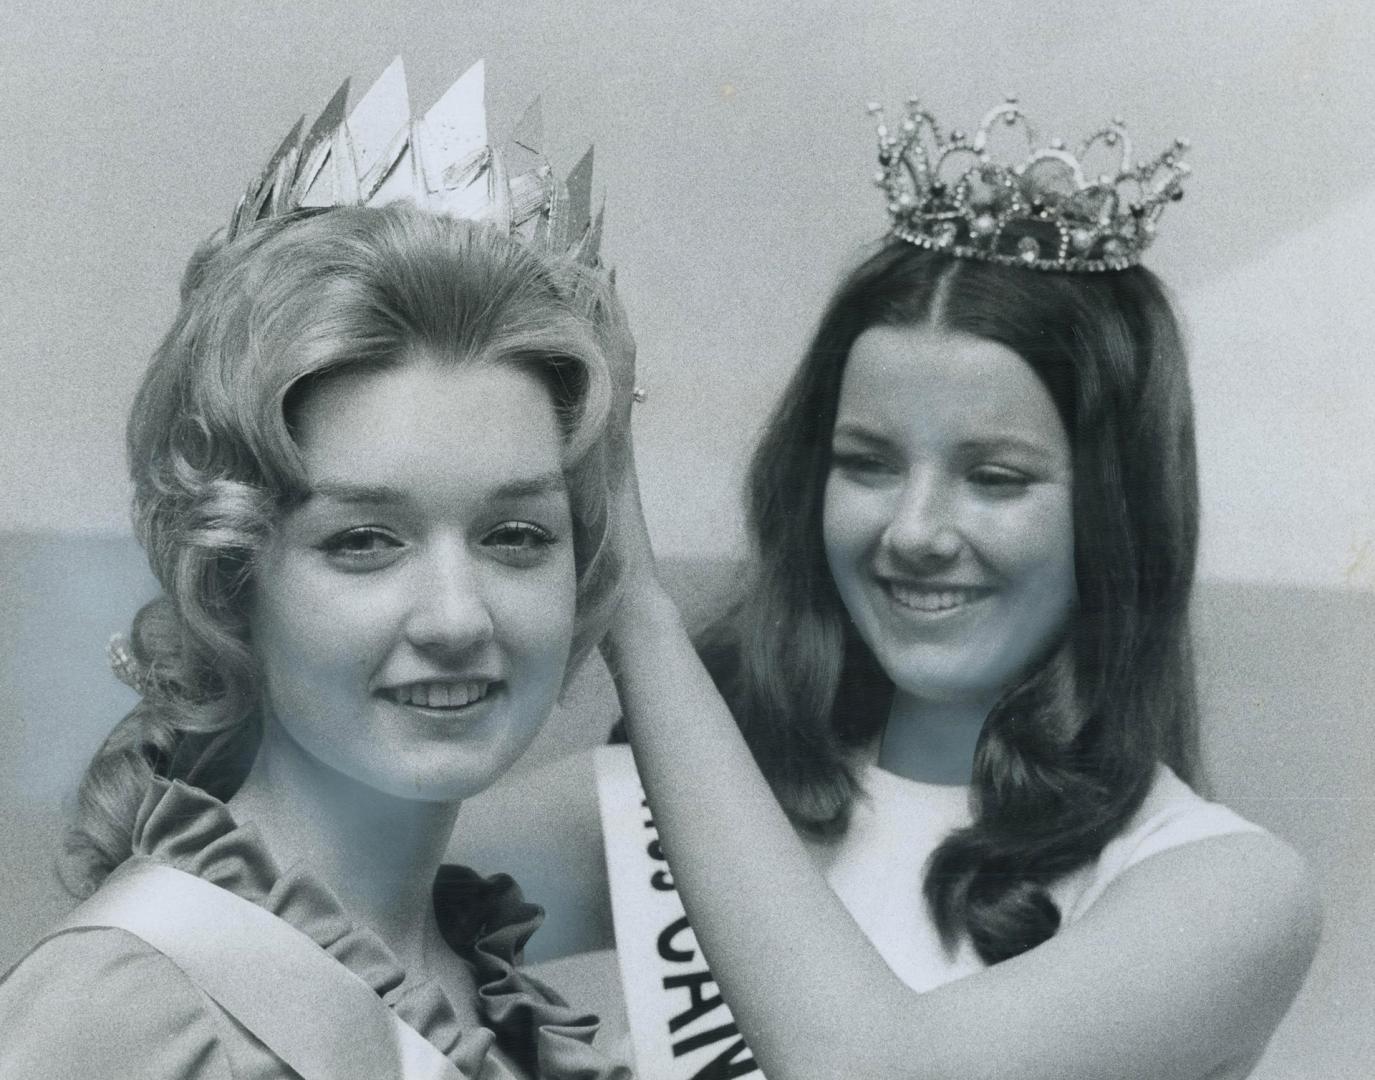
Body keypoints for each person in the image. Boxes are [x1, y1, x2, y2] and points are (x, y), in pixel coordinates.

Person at [463, 94, 1322, 1079]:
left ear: (1113, 517)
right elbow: (282, 895)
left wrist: (634, 601)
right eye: (867, 464)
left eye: (994, 478)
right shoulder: (675, 806)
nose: (914, 532)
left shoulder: (1227, 888)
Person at [0, 62, 634, 1080]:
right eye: (363, 541)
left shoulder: (495, 1005)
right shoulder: (131, 1011)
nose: (457, 615)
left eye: (515, 535)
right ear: (235, 575)